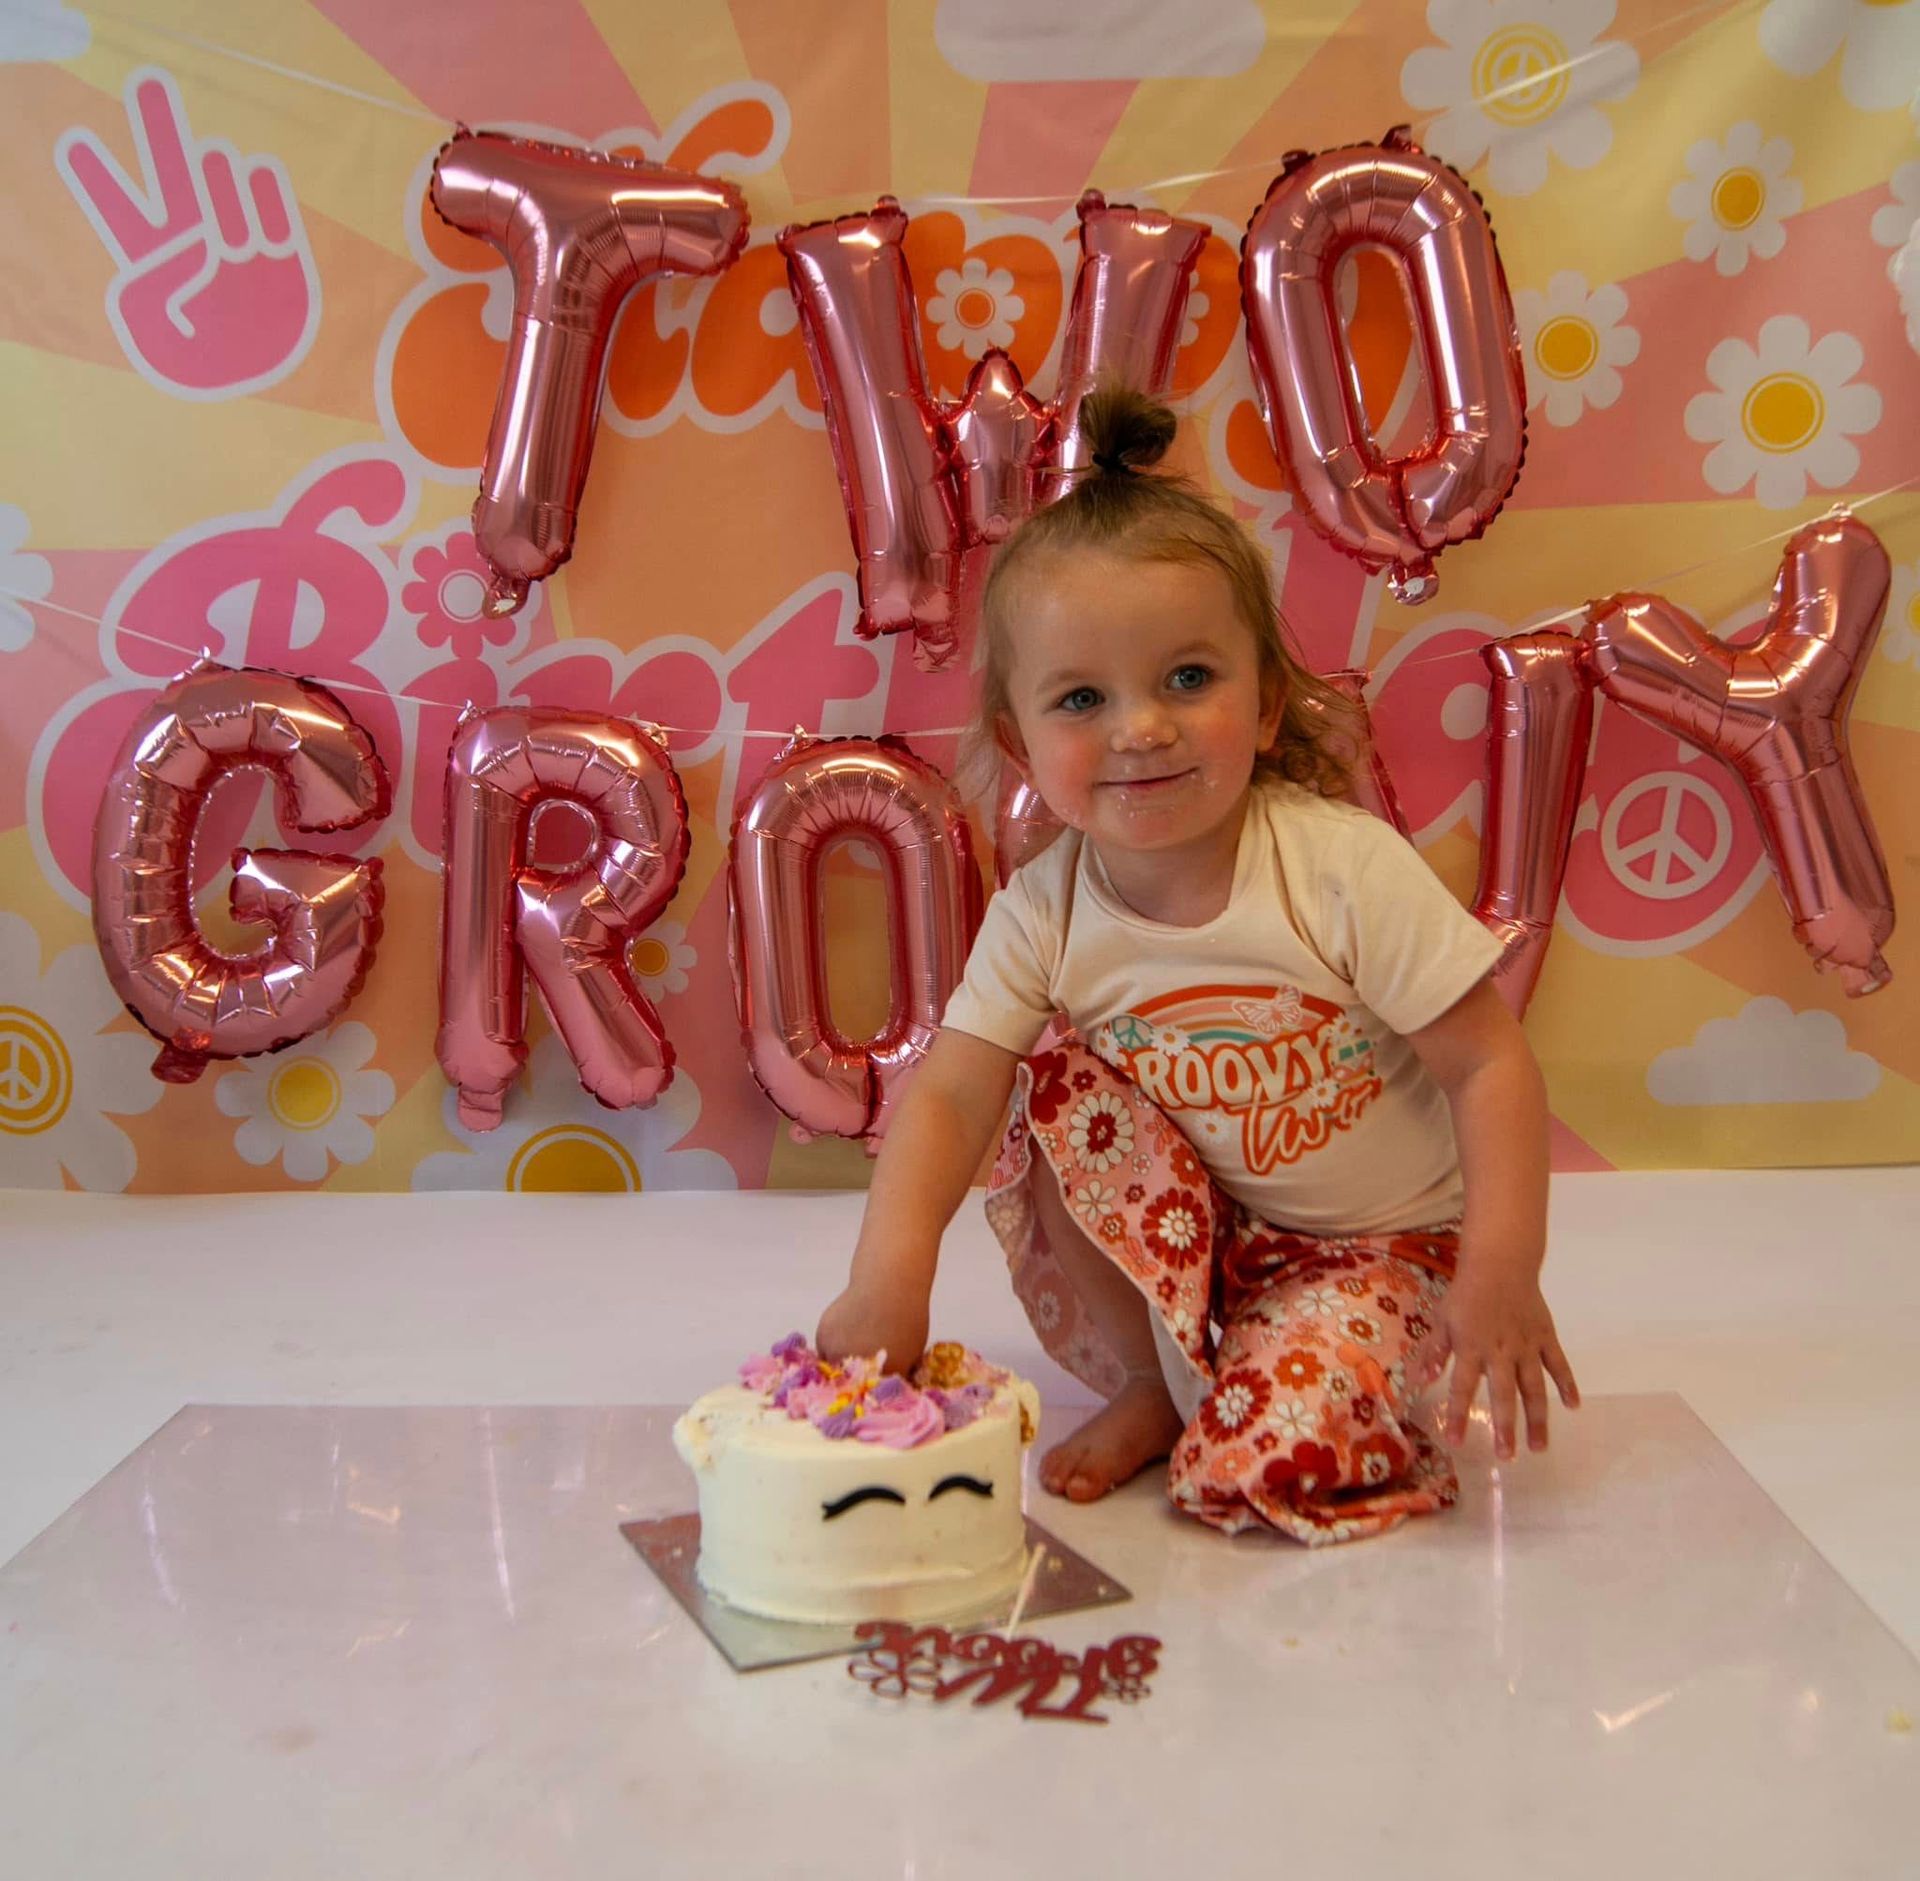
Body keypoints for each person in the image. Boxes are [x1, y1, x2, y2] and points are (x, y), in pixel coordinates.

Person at [818, 386, 1578, 1546]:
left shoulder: (1333, 869)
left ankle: (1265, 1390)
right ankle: (1149, 1378)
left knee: (1263, 1461)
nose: (1141, 729)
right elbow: (954, 1090)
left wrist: (1501, 1268)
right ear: (1024, 746)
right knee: (1035, 1084)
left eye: (1187, 680)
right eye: (1083, 698)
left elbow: (1487, 1065)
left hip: (1394, 1249)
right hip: (1212, 1248)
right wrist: (890, 1277)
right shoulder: (1046, 908)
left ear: (1268, 701)